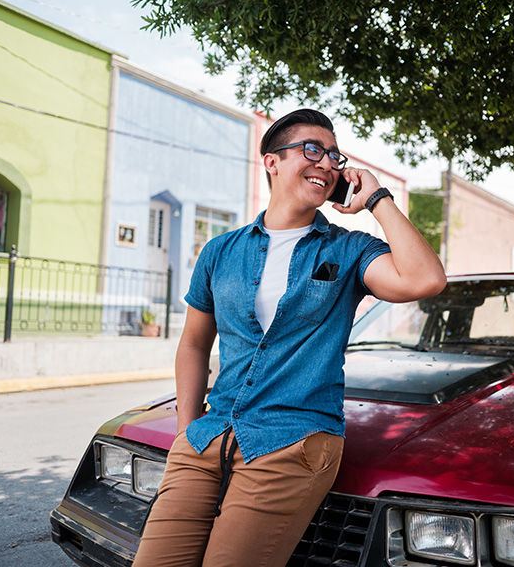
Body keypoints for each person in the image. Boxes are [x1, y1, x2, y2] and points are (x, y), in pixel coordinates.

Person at [133, 108, 446, 567]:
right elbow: (195, 343)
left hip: (292, 439)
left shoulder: (349, 249)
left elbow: (426, 280)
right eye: (311, 150)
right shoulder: (221, 250)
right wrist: (185, 428)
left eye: (334, 156)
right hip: (209, 434)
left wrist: (378, 198)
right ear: (272, 161)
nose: (326, 164)